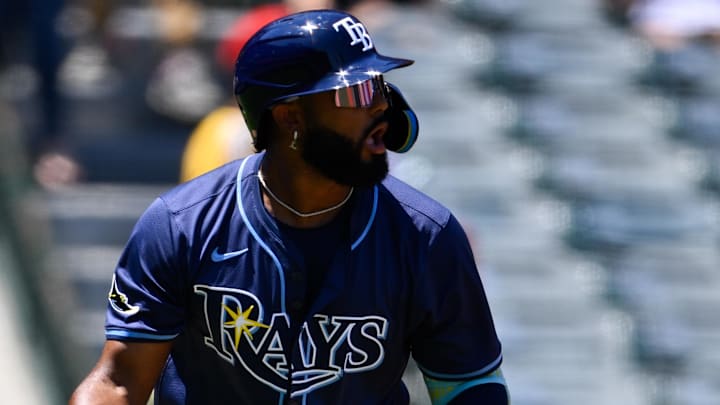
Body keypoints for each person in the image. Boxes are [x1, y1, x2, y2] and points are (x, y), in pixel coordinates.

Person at [69, 9, 508, 405]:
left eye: (379, 86)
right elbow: (121, 383)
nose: (380, 107)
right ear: (289, 117)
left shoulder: (427, 236)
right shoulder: (181, 224)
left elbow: (468, 385)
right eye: (353, 93)